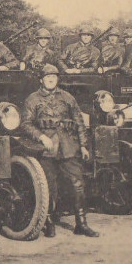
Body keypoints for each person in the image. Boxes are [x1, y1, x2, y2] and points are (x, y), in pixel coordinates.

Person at [20, 64, 98, 237]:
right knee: (49, 187)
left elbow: (78, 122)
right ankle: (49, 223)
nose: (51, 79)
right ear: (41, 79)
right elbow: (25, 124)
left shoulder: (67, 97)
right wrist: (41, 137)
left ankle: (81, 224)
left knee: (78, 185)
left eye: (54, 77)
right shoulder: (32, 99)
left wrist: (83, 145)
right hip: (46, 148)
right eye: (47, 77)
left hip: (68, 146)